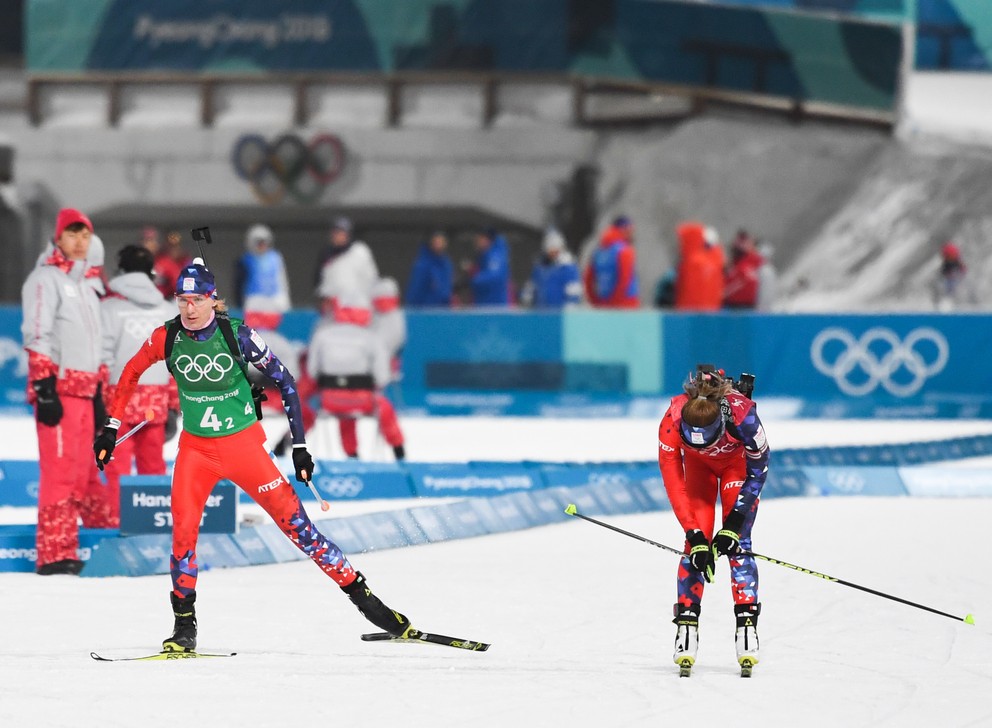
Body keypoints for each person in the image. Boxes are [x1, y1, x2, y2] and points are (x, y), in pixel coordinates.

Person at [93, 258, 414, 652]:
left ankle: (373, 607)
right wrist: (109, 428)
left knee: (300, 530)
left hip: (243, 449)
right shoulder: (166, 336)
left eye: (196, 300)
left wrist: (299, 447)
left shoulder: (237, 335)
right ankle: (183, 627)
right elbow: (128, 374)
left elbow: (287, 381)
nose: (189, 308)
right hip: (196, 451)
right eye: (181, 300)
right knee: (183, 535)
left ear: (213, 300)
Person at [657, 365, 769, 674]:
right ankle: (686, 625)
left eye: (707, 441)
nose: (704, 447)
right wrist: (694, 534)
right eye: (695, 443)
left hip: (737, 465)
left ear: (720, 425)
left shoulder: (742, 415)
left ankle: (747, 626)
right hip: (698, 471)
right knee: (697, 545)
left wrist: (732, 525)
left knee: (738, 543)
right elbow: (673, 480)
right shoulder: (672, 419)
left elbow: (759, 469)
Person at [21, 208, 112, 575]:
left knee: (84, 472)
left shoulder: (89, 285)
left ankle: (96, 538)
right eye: (72, 234)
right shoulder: (46, 280)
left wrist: (101, 394)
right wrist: (44, 387)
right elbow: (39, 332)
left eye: (85, 235)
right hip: (58, 389)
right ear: (58, 238)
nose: (79, 242)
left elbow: (100, 343)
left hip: (87, 391)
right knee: (59, 473)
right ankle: (54, 553)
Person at [100, 245, 179, 499]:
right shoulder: (168, 311)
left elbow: (102, 357)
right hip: (155, 400)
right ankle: (151, 522)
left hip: (116, 398)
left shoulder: (108, 309)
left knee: (116, 467)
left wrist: (96, 399)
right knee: (153, 468)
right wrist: (174, 405)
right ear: (151, 273)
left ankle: (116, 525)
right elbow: (175, 363)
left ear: (121, 271)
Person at [307, 290, 406, 461]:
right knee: (384, 408)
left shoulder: (322, 335)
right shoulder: (372, 338)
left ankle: (352, 455)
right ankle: (399, 451)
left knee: (345, 414)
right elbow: (382, 377)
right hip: (364, 400)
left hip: (330, 401)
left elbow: (312, 371)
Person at [315, 216, 379, 314]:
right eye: (335, 232)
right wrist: (323, 299)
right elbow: (319, 282)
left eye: (341, 232)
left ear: (348, 234)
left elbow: (371, 280)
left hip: (356, 309)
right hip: (333, 310)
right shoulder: (326, 254)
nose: (337, 236)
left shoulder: (359, 252)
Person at [233, 224, 291, 325]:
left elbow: (281, 280)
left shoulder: (275, 258)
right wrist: (240, 304)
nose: (261, 245)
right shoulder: (245, 259)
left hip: (274, 300)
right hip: (253, 300)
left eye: (263, 242)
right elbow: (238, 284)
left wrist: (284, 301)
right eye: (258, 242)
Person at [583, 215, 639, 308]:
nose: (632, 234)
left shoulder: (598, 252)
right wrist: (616, 302)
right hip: (626, 305)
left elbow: (588, 279)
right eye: (630, 230)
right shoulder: (624, 251)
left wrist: (595, 301)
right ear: (623, 230)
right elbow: (625, 278)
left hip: (603, 304)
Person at [519, 228, 582, 308]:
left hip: (559, 312)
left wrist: (569, 308)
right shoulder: (540, 266)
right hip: (540, 311)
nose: (552, 252)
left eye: (555, 249)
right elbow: (531, 285)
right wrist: (526, 297)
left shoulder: (567, 267)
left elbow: (574, 290)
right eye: (549, 249)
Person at [675, 222, 725, 311]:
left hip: (691, 311)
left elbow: (688, 291)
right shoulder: (715, 260)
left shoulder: (693, 262)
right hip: (711, 310)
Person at [370, 277, 407, 386]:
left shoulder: (396, 317)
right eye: (380, 299)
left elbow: (396, 344)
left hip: (386, 371)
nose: (384, 303)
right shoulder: (372, 316)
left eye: (387, 299)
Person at [406, 231, 454, 308]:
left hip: (443, 309)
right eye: (436, 241)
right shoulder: (423, 263)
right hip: (425, 309)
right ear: (431, 243)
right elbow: (416, 288)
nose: (438, 244)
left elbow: (447, 288)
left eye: (441, 241)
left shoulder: (446, 263)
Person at [464, 228, 511, 306]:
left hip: (493, 304)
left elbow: (494, 276)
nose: (476, 242)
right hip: (485, 302)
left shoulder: (495, 255)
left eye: (479, 239)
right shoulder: (484, 256)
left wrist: (474, 280)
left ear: (486, 239)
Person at [723, 229, 766, 310]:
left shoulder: (748, 265)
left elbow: (736, 286)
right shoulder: (738, 264)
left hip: (740, 308)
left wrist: (719, 295)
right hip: (735, 306)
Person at [932, 241, 977, 311]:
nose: (950, 260)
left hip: (964, 308)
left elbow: (971, 292)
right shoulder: (940, 274)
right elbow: (937, 296)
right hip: (948, 308)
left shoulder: (963, 272)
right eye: (948, 257)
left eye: (952, 256)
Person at [154, 230, 192, 299]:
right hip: (162, 300)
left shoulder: (186, 261)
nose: (174, 250)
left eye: (176, 246)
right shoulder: (160, 262)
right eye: (171, 246)